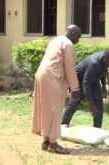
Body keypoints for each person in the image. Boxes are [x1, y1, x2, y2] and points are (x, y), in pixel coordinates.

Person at [32, 24, 82, 154]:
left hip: (42, 74)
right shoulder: (68, 44)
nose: (78, 41)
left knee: (47, 109)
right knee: (55, 110)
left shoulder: (55, 40)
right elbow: (69, 67)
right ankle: (53, 144)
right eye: (78, 37)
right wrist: (75, 88)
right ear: (73, 34)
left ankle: (46, 140)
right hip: (52, 77)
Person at [62, 49, 109, 128]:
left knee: (99, 103)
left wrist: (104, 86)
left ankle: (97, 129)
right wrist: (90, 104)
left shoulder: (108, 60)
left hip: (93, 79)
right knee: (74, 102)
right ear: (104, 58)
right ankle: (63, 125)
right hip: (79, 79)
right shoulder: (94, 63)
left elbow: (103, 71)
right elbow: (86, 83)